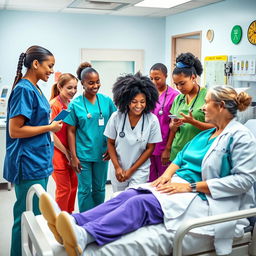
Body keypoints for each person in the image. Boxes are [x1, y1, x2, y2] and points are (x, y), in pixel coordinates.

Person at [40, 85, 256, 256]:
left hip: (202, 195)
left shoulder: (240, 136)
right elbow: (180, 158)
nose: (202, 107)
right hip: (177, 183)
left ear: (219, 106)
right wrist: (166, 176)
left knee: (140, 203)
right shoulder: (207, 134)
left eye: (207, 103)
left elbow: (243, 181)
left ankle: (85, 235)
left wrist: (189, 186)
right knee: (128, 195)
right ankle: (72, 223)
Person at [3, 45, 63, 256]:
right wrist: (49, 127)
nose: (51, 70)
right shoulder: (24, 89)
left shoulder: (35, 88)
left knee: (36, 215)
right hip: (27, 163)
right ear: (36, 64)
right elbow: (15, 130)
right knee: (26, 216)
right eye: (50, 66)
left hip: (38, 161)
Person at [64, 62, 116, 212]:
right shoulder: (75, 104)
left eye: (97, 81)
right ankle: (85, 220)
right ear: (83, 84)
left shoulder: (106, 101)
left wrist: (111, 148)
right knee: (85, 190)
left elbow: (115, 124)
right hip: (83, 155)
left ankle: (98, 217)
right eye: (91, 83)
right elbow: (71, 131)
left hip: (102, 153)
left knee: (100, 188)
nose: (95, 85)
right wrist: (73, 156)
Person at [104, 72, 162, 192]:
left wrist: (131, 170)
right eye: (134, 101)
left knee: (133, 198)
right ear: (126, 100)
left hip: (140, 169)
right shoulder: (116, 117)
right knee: (118, 199)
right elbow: (110, 143)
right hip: (118, 167)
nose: (139, 105)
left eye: (142, 101)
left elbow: (150, 148)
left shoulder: (152, 120)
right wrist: (117, 167)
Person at [168, 52, 214, 161]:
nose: (179, 87)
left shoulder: (208, 97)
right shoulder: (179, 99)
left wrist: (193, 122)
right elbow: (172, 127)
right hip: (177, 151)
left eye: (182, 83)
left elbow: (216, 127)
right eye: (176, 84)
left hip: (198, 152)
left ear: (193, 77)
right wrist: (174, 125)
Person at [49, 73, 78, 213]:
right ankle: (60, 220)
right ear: (60, 87)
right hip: (58, 152)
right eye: (69, 88)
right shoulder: (54, 105)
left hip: (69, 151)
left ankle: (69, 216)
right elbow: (52, 134)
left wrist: (72, 153)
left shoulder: (70, 104)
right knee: (64, 189)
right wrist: (66, 153)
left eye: (75, 88)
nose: (73, 91)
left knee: (73, 186)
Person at [149, 63, 179, 181]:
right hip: (149, 146)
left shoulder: (175, 96)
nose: (154, 82)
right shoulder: (148, 94)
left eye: (157, 78)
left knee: (163, 181)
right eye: (151, 79)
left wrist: (167, 149)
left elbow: (174, 125)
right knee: (150, 181)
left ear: (166, 76)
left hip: (164, 146)